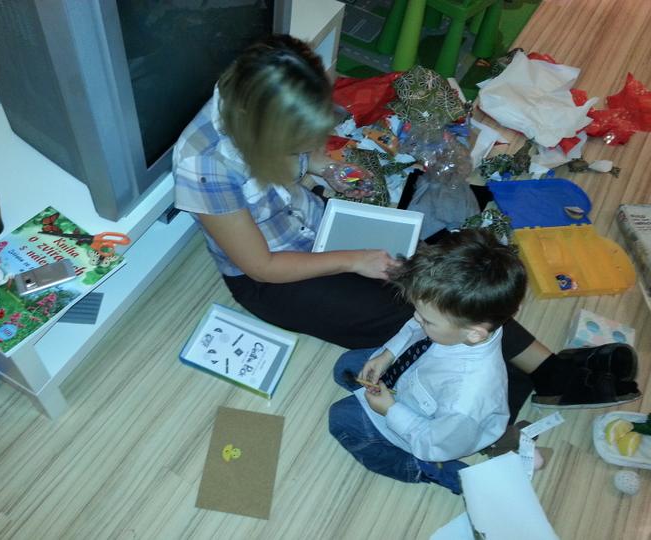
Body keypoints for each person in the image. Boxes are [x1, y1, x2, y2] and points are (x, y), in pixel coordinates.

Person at [172, 34, 640, 417]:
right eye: (297, 141)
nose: (309, 143)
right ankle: (544, 374)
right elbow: (261, 266)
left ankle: (539, 366)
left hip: (318, 222)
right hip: (275, 278)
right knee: (417, 307)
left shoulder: (268, 92)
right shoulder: (204, 164)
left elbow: (307, 146)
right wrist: (354, 260)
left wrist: (323, 166)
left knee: (446, 270)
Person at [328, 229, 526, 493]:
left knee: (341, 419)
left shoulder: (465, 398)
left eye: (427, 320)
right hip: (416, 378)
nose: (416, 319)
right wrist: (388, 355)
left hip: (433, 434)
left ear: (474, 333)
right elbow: (414, 329)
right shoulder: (461, 324)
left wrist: (390, 411)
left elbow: (432, 441)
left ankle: (427, 469)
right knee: (346, 366)